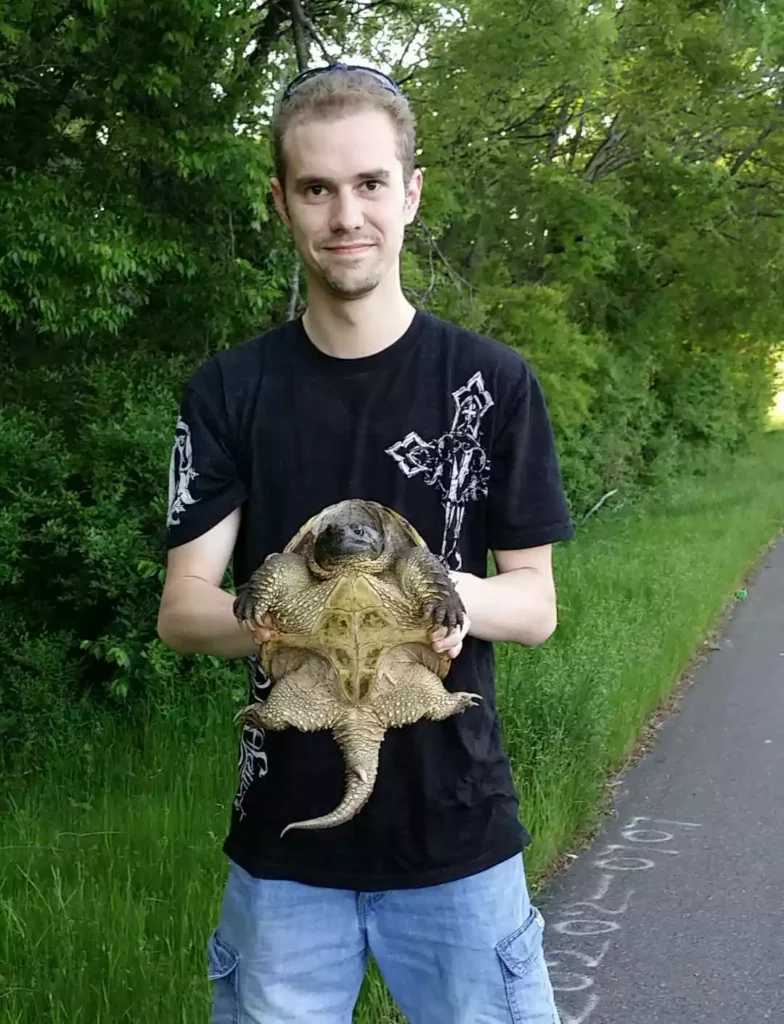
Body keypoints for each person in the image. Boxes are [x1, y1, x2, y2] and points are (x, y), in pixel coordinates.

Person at [157, 62, 573, 1024]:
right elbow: (184, 608)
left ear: (411, 190)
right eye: (317, 188)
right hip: (284, 857)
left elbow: (536, 604)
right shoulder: (230, 392)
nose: (347, 214)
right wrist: (281, 628)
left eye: (370, 182)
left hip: (458, 838)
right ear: (283, 202)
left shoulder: (493, 383)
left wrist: (439, 604)